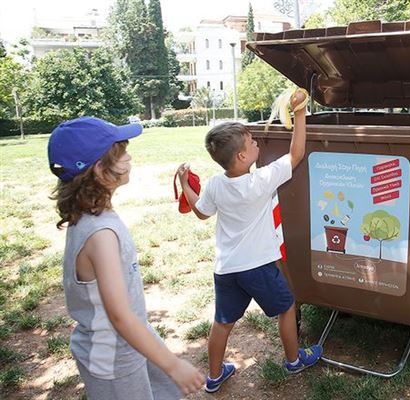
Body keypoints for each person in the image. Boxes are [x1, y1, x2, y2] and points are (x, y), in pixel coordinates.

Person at [48, 117, 204, 400]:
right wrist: (173, 364)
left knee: (168, 391)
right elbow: (119, 316)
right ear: (101, 171)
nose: (129, 156)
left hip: (132, 334)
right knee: (167, 381)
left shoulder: (90, 214)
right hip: (112, 354)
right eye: (121, 153)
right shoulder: (101, 235)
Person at [177, 88, 321, 394]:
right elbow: (296, 155)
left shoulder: (216, 183)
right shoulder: (260, 181)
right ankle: (294, 361)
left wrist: (183, 183)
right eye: (253, 142)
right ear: (243, 156)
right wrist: (298, 112)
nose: (257, 144)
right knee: (287, 308)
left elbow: (201, 212)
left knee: (223, 322)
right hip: (259, 266)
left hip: (226, 268)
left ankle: (214, 376)